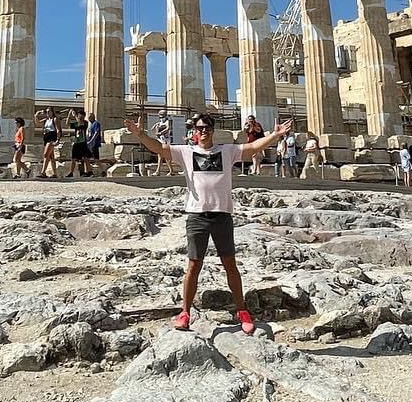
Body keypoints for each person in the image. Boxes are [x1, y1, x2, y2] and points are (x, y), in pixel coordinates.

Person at [124, 109, 294, 335]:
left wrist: (275, 135)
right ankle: (185, 312)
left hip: (222, 215)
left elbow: (253, 148)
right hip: (197, 215)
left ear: (212, 131)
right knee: (194, 265)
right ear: (194, 132)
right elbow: (159, 148)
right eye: (199, 129)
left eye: (206, 128)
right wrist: (140, 135)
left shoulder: (226, 151)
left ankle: (242, 311)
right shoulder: (186, 151)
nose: (203, 132)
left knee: (230, 265)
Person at [35, 107, 60, 180]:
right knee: (51, 156)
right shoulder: (46, 120)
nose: (47, 113)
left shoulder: (54, 119)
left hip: (52, 137)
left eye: (49, 112)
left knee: (46, 154)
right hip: (46, 137)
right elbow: (38, 123)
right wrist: (36, 115)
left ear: (52, 112)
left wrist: (58, 140)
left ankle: (43, 173)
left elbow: (58, 129)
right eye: (46, 112)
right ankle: (55, 173)